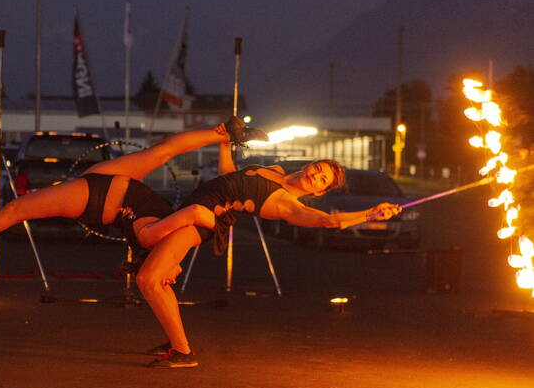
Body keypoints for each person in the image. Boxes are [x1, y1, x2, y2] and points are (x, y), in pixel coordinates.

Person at [137, 156, 401, 368]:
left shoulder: (285, 204)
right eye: (318, 168)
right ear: (309, 164)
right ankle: (176, 343)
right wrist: (225, 141)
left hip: (200, 222)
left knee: (148, 280)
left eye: (321, 179)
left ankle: (183, 352)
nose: (314, 175)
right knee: (156, 279)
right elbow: (228, 176)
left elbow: (329, 221)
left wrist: (371, 213)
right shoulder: (273, 169)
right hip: (190, 211)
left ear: (319, 191)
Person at [0, 118, 268, 255]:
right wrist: (226, 146)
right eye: (174, 276)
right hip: (113, 185)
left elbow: (189, 214)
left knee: (15, 211)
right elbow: (205, 199)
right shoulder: (172, 240)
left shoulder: (153, 247)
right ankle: (224, 130)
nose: (173, 278)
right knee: (160, 152)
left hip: (96, 199)